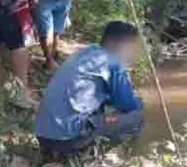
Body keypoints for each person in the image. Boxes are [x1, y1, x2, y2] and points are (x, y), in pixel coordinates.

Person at [35, 21, 145, 156]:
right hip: (67, 139)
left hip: (42, 136)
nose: (131, 54)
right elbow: (127, 105)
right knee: (137, 117)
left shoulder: (86, 52)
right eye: (130, 48)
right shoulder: (112, 62)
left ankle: (56, 151)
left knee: (106, 107)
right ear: (117, 44)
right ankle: (124, 154)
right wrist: (139, 103)